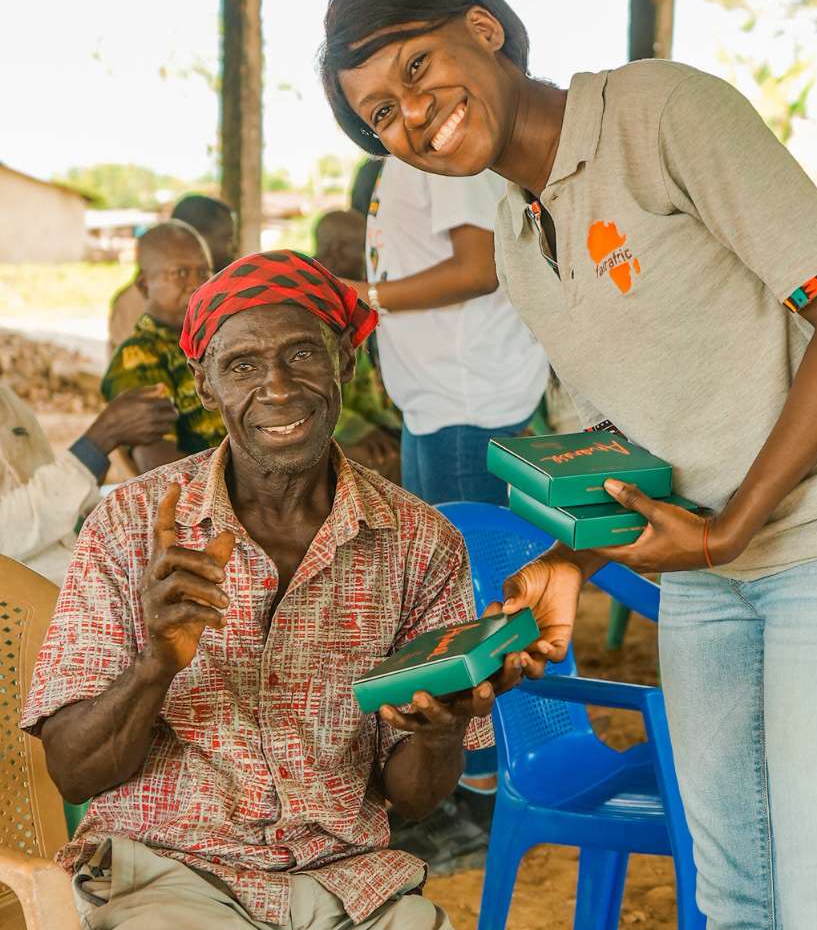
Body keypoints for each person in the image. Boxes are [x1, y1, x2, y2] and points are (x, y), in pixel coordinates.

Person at [319, 0, 817, 929]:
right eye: (379, 115)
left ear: (483, 29)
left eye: (413, 68)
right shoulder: (519, 237)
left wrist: (733, 525)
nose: (410, 115)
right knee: (736, 892)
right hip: (705, 570)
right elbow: (619, 439)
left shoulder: (657, 113)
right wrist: (563, 568)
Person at [22, 250, 518, 930]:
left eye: (303, 355)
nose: (278, 388)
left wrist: (441, 733)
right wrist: (155, 666)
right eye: (243, 365)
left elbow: (415, 799)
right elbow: (74, 775)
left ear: (346, 361)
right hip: (163, 873)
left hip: (346, 884)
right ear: (204, 385)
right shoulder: (130, 524)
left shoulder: (420, 542)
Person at [362, 158, 548, 507]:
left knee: (466, 557)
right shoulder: (403, 155)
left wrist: (364, 296)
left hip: (466, 405)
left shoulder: (443, 154)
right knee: (433, 553)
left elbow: (478, 271)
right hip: (431, 399)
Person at [0, 383, 176, 586]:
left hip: (81, 582)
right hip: (26, 606)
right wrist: (100, 439)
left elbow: (55, 498)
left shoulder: (8, 400)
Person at [102, 221, 224, 472]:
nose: (195, 285)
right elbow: (155, 460)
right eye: (180, 273)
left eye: (204, 272)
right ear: (144, 285)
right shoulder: (139, 355)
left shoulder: (215, 340)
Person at [313, 210, 402, 478]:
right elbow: (309, 391)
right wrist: (359, 429)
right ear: (337, 250)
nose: (371, 258)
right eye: (364, 248)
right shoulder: (309, 302)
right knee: (388, 460)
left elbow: (364, 386)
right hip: (321, 427)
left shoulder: (348, 299)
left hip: (358, 420)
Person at [108, 195, 238, 354]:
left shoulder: (203, 292)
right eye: (227, 239)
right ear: (194, 237)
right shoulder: (140, 303)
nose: (233, 249)